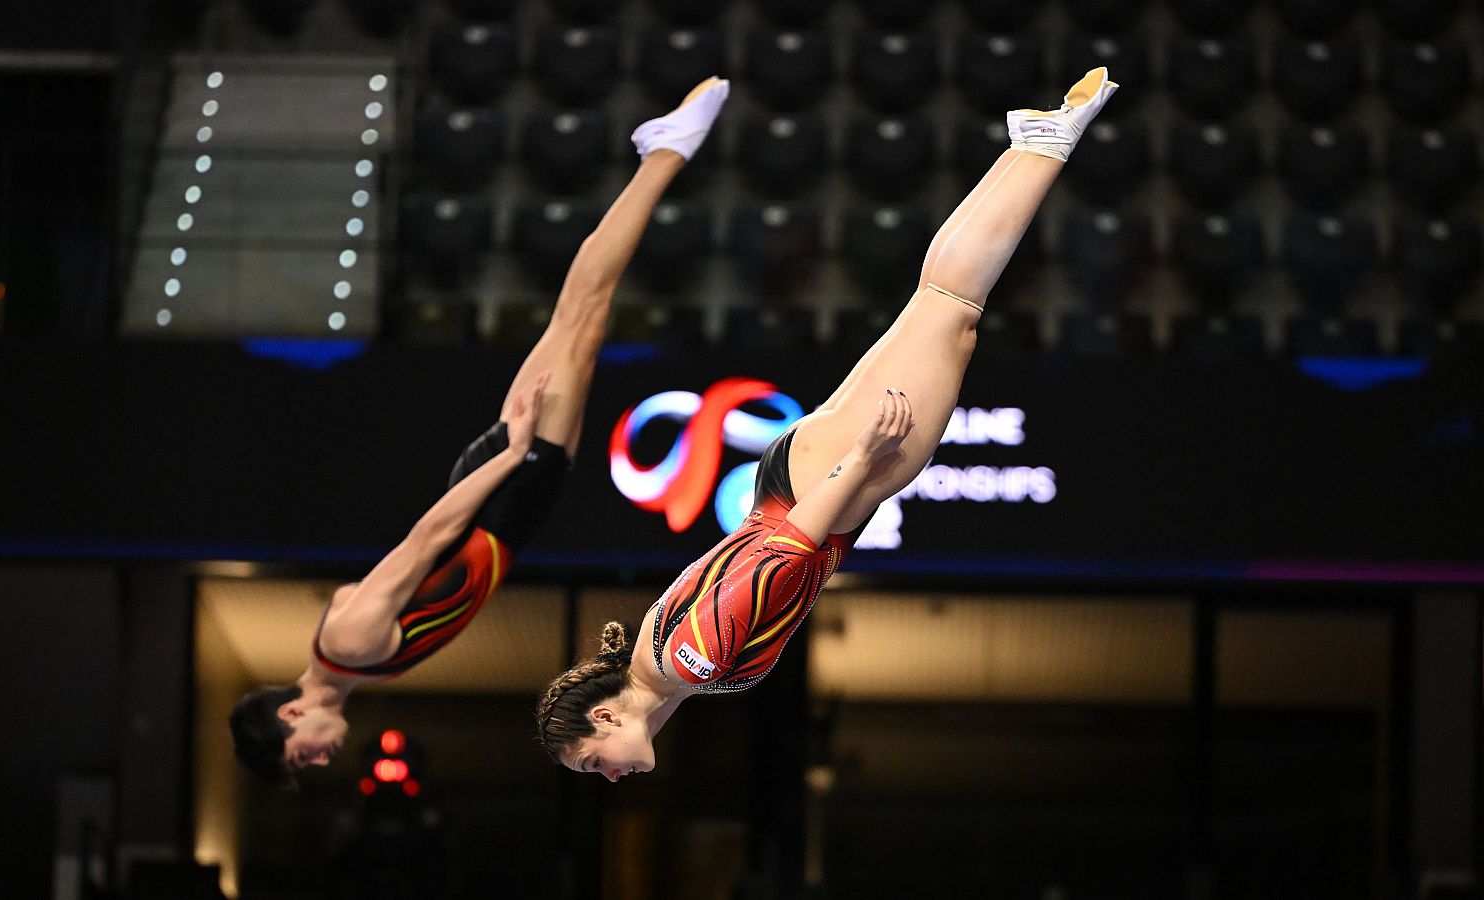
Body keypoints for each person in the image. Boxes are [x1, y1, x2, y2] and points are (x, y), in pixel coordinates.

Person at [536, 68, 1120, 781]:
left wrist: (864, 460)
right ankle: (1032, 143)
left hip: (822, 491)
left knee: (954, 306)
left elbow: (780, 554)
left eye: (592, 763)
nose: (608, 776)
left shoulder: (690, 661)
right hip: (793, 480)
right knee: (941, 308)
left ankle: (1051, 140)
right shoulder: (656, 672)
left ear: (604, 716)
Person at [229, 77, 733, 785]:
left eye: (298, 756)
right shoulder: (353, 668)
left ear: (288, 717)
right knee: (579, 318)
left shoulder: (346, 642)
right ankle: (663, 153)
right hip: (509, 503)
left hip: (500, 490)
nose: (317, 759)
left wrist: (510, 458)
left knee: (584, 312)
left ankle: (665, 152)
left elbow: (428, 537)